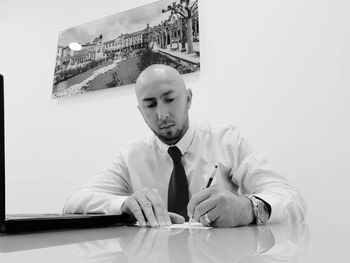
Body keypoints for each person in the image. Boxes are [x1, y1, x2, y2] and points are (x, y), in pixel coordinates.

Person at [63, 64, 306, 227]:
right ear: (140, 112)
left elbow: (292, 200)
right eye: (150, 105)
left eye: (170, 99)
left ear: (189, 99)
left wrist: (247, 208)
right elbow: (73, 202)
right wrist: (123, 204)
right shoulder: (131, 156)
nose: (162, 114)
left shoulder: (227, 140)